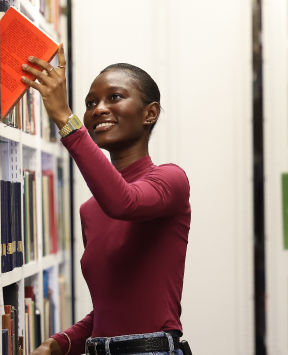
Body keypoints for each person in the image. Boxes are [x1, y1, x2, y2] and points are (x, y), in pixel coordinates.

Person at [20, 44, 192, 355]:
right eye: (90, 103)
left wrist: (63, 117)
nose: (98, 108)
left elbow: (124, 202)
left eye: (114, 97)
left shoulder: (171, 180)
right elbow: (111, 312)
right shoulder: (90, 211)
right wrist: (58, 344)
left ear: (150, 113)